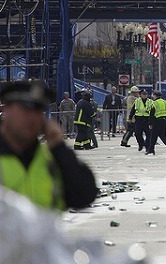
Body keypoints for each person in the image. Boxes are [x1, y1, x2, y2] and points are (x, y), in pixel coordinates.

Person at [0, 80, 98, 211]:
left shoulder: (50, 158)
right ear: (6, 109)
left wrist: (59, 147)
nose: (31, 118)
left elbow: (84, 195)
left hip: (45, 231)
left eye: (37, 110)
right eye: (25, 109)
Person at [147, 91, 166, 155]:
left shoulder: (154, 103)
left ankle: (151, 150)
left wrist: (150, 123)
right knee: (163, 136)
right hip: (164, 120)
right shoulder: (165, 102)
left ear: (155, 96)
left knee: (153, 136)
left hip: (157, 121)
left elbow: (152, 113)